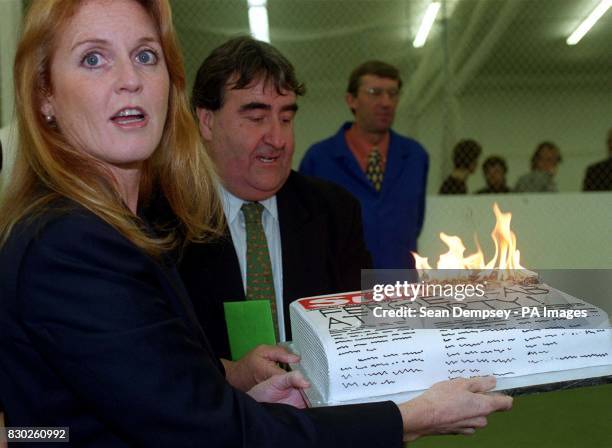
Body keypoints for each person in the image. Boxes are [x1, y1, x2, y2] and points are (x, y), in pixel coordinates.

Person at [0, 1, 512, 446]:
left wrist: (241, 393)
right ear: (44, 95)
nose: (129, 79)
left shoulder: (106, 228)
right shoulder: (76, 243)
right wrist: (406, 418)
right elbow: (202, 429)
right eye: (93, 58)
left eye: (145, 56)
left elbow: (114, 409)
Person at [179, 36, 372, 364]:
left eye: (285, 118)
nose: (278, 139)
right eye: (256, 119)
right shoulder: (164, 219)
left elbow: (360, 335)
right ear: (207, 122)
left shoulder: (335, 212)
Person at [300, 61, 429, 269]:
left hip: (400, 282)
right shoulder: (319, 159)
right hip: (341, 287)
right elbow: (308, 230)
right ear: (351, 100)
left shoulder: (415, 156)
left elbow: (416, 221)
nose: (386, 102)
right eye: (374, 92)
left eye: (393, 93)